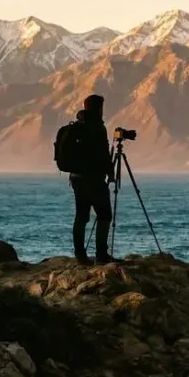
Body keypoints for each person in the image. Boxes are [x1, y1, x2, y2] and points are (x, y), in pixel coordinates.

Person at [68, 94, 116, 265]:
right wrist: (110, 173)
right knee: (104, 215)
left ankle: (80, 256)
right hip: (94, 179)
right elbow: (103, 154)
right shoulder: (97, 126)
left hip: (76, 178)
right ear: (98, 108)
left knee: (81, 216)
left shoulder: (77, 125)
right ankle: (101, 255)